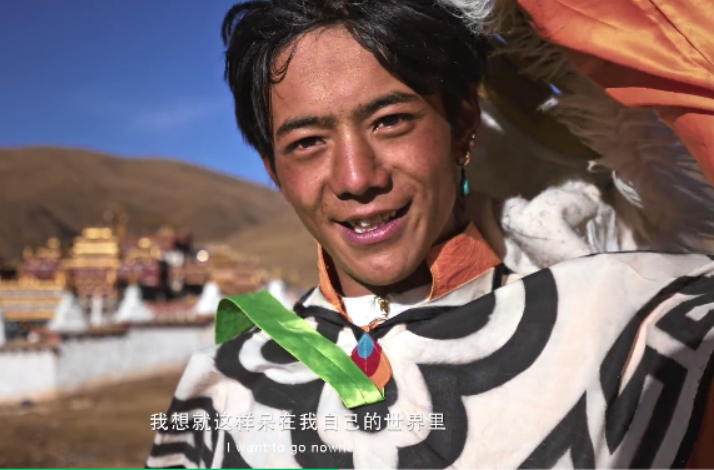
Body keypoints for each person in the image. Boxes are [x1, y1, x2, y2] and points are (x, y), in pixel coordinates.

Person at [146, 0, 714, 468]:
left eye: (390, 121)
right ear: (274, 170)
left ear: (463, 123)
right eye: (307, 143)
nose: (356, 178)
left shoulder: (635, 324)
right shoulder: (219, 394)